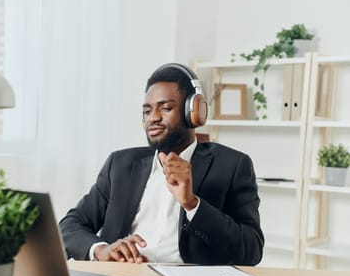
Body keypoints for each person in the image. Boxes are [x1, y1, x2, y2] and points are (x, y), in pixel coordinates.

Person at [59, 63, 263, 265]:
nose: (153, 118)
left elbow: (251, 250)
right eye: (147, 111)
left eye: (165, 108)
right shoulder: (120, 164)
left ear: (193, 113)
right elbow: (69, 226)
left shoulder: (232, 166)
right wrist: (100, 250)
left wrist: (192, 204)